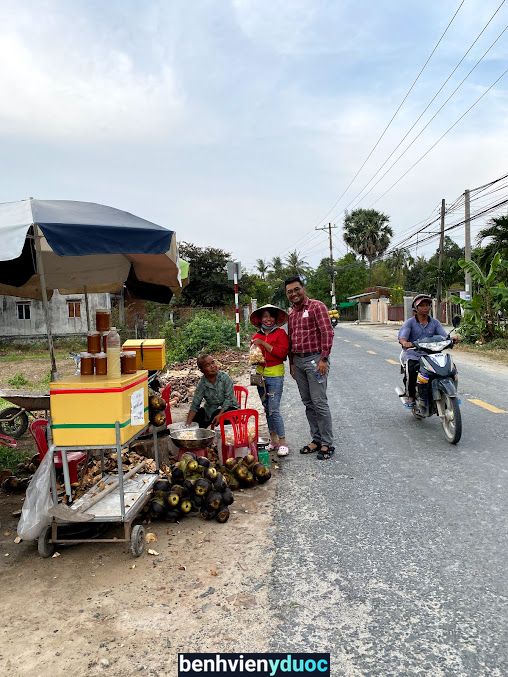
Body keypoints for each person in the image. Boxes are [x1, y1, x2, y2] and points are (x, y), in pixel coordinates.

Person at [285, 276, 335, 460]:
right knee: (308, 403)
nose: (294, 294)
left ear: (303, 289)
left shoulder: (316, 306)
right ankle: (316, 439)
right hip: (298, 362)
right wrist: (291, 364)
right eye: (289, 291)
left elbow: (327, 332)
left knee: (319, 402)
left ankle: (327, 443)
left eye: (296, 289)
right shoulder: (291, 314)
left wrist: (324, 358)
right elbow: (291, 340)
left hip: (315, 360)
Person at [398, 294, 458, 406]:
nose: (425, 307)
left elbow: (444, 336)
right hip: (413, 353)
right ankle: (411, 395)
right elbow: (402, 338)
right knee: (411, 368)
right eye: (421, 305)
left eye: (427, 305)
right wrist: (405, 342)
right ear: (415, 308)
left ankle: (451, 393)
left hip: (432, 353)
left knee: (450, 368)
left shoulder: (435, 322)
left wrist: (451, 339)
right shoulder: (409, 323)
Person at [250, 304, 290, 457]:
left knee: (274, 409)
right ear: (260, 319)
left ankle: (283, 442)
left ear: (275, 318)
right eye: (265, 316)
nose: (268, 319)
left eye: (271, 316)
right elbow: (254, 358)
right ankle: (273, 441)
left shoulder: (280, 334)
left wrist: (263, 344)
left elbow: (282, 354)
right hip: (259, 375)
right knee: (266, 408)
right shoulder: (256, 335)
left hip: (275, 375)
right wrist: (253, 349)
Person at [186, 353, 239, 428]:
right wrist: (187, 425)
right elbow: (195, 404)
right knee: (198, 416)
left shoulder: (225, 378)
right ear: (202, 371)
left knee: (217, 416)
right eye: (208, 365)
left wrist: (220, 415)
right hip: (211, 411)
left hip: (230, 409)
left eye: (213, 362)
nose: (212, 366)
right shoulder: (202, 384)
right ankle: (199, 435)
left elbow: (228, 399)